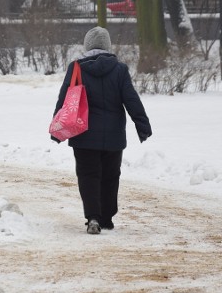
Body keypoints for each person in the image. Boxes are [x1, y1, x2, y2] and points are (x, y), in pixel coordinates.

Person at [51, 26, 152, 234]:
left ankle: (93, 217)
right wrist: (142, 125)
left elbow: (64, 99)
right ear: (108, 46)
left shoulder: (76, 68)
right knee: (111, 175)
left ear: (86, 46)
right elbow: (131, 99)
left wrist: (56, 128)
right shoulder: (119, 69)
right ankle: (107, 217)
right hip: (114, 136)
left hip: (83, 134)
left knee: (88, 175)